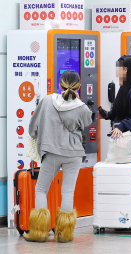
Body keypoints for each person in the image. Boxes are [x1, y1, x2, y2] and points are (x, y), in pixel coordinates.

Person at [25, 70, 93, 242]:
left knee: (41, 189)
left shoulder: (47, 101)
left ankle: (39, 233)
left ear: (59, 84)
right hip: (74, 154)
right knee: (67, 192)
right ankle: (64, 234)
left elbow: (33, 126)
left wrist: (36, 135)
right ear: (79, 87)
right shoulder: (82, 107)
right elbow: (87, 123)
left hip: (52, 152)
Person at [99, 55, 131, 161]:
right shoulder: (124, 88)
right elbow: (121, 111)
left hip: (130, 140)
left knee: (127, 167)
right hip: (122, 138)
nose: (117, 73)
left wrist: (121, 126)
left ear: (126, 70)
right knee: (119, 164)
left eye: (118, 69)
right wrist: (109, 115)